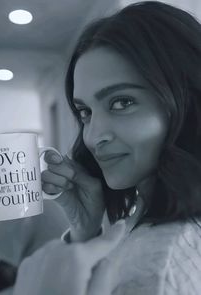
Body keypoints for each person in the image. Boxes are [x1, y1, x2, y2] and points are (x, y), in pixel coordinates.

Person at [13, 1, 201, 294]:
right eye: (85, 112)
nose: (93, 137)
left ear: (186, 101)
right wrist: (85, 233)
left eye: (122, 102)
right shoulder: (142, 227)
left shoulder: (157, 267)